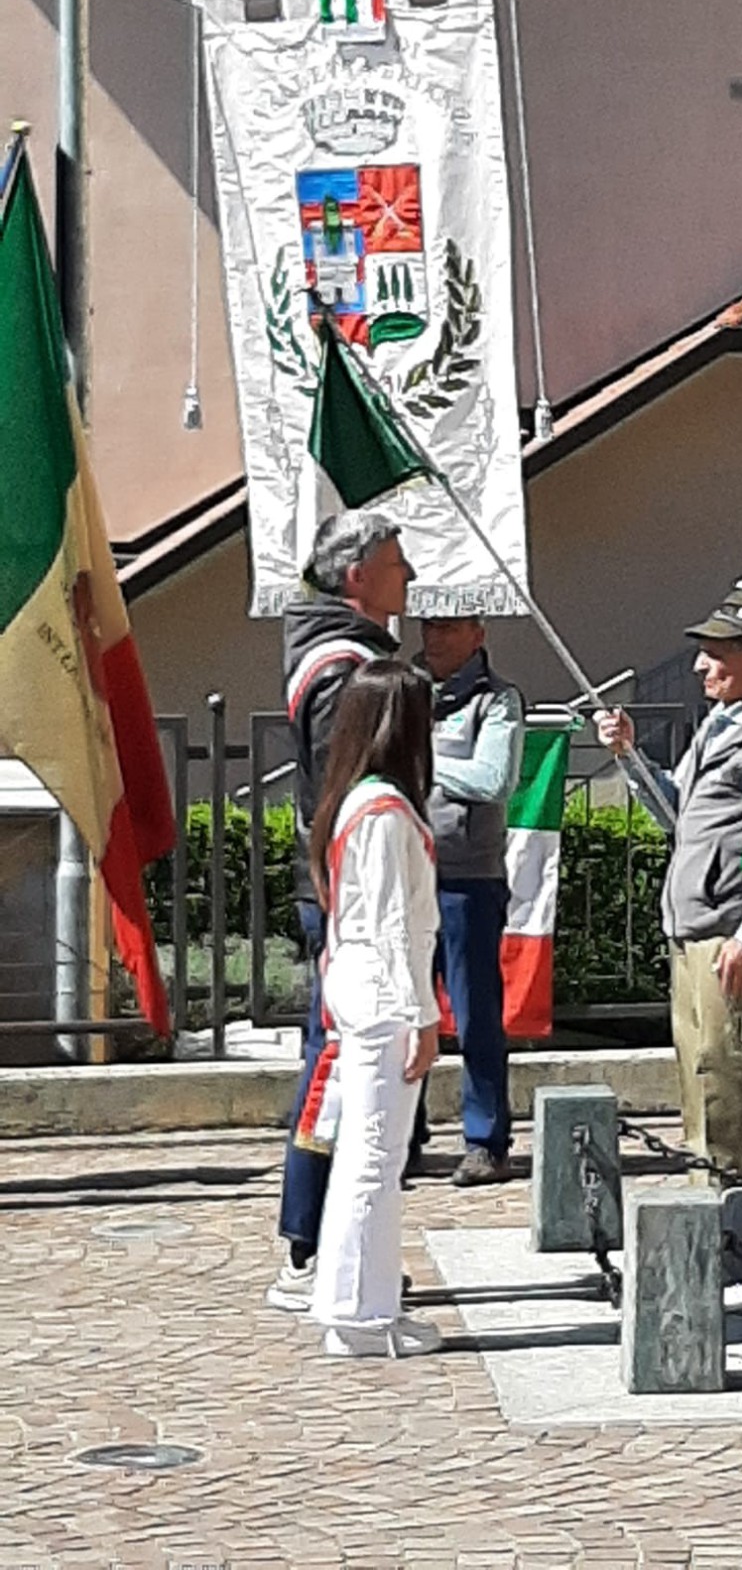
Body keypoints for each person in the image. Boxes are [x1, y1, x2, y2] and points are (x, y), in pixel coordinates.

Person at [266, 509, 414, 1313]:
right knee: (335, 1066)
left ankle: (332, 1243)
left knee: (349, 1064)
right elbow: (345, 796)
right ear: (356, 575)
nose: (409, 576)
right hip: (350, 898)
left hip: (353, 893)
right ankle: (309, 1244)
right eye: (396, 562)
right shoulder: (340, 667)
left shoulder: (351, 652)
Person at [595, 588, 742, 1182]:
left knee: (723, 1064)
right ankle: (707, 1184)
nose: (702, 665)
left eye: (717, 654)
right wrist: (628, 755)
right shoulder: (713, 730)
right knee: (696, 1066)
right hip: (691, 928)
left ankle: (737, 1189)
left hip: (726, 930)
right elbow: (675, 813)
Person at [307, 660, 443, 1358]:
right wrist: (423, 1015)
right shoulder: (385, 810)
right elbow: (393, 924)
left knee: (367, 1155)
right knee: (375, 1158)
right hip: (385, 995)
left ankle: (360, 1302)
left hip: (360, 984)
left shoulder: (357, 800)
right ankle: (360, 1315)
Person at [409, 616, 524, 1187]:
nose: (433, 637)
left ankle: (486, 1141)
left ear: (477, 634)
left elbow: (492, 778)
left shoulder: (497, 700)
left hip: (467, 877)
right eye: (428, 625)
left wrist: (419, 760)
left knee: (475, 1013)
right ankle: (403, 1134)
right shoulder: (402, 689)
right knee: (405, 1009)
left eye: (449, 628)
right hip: (405, 870)